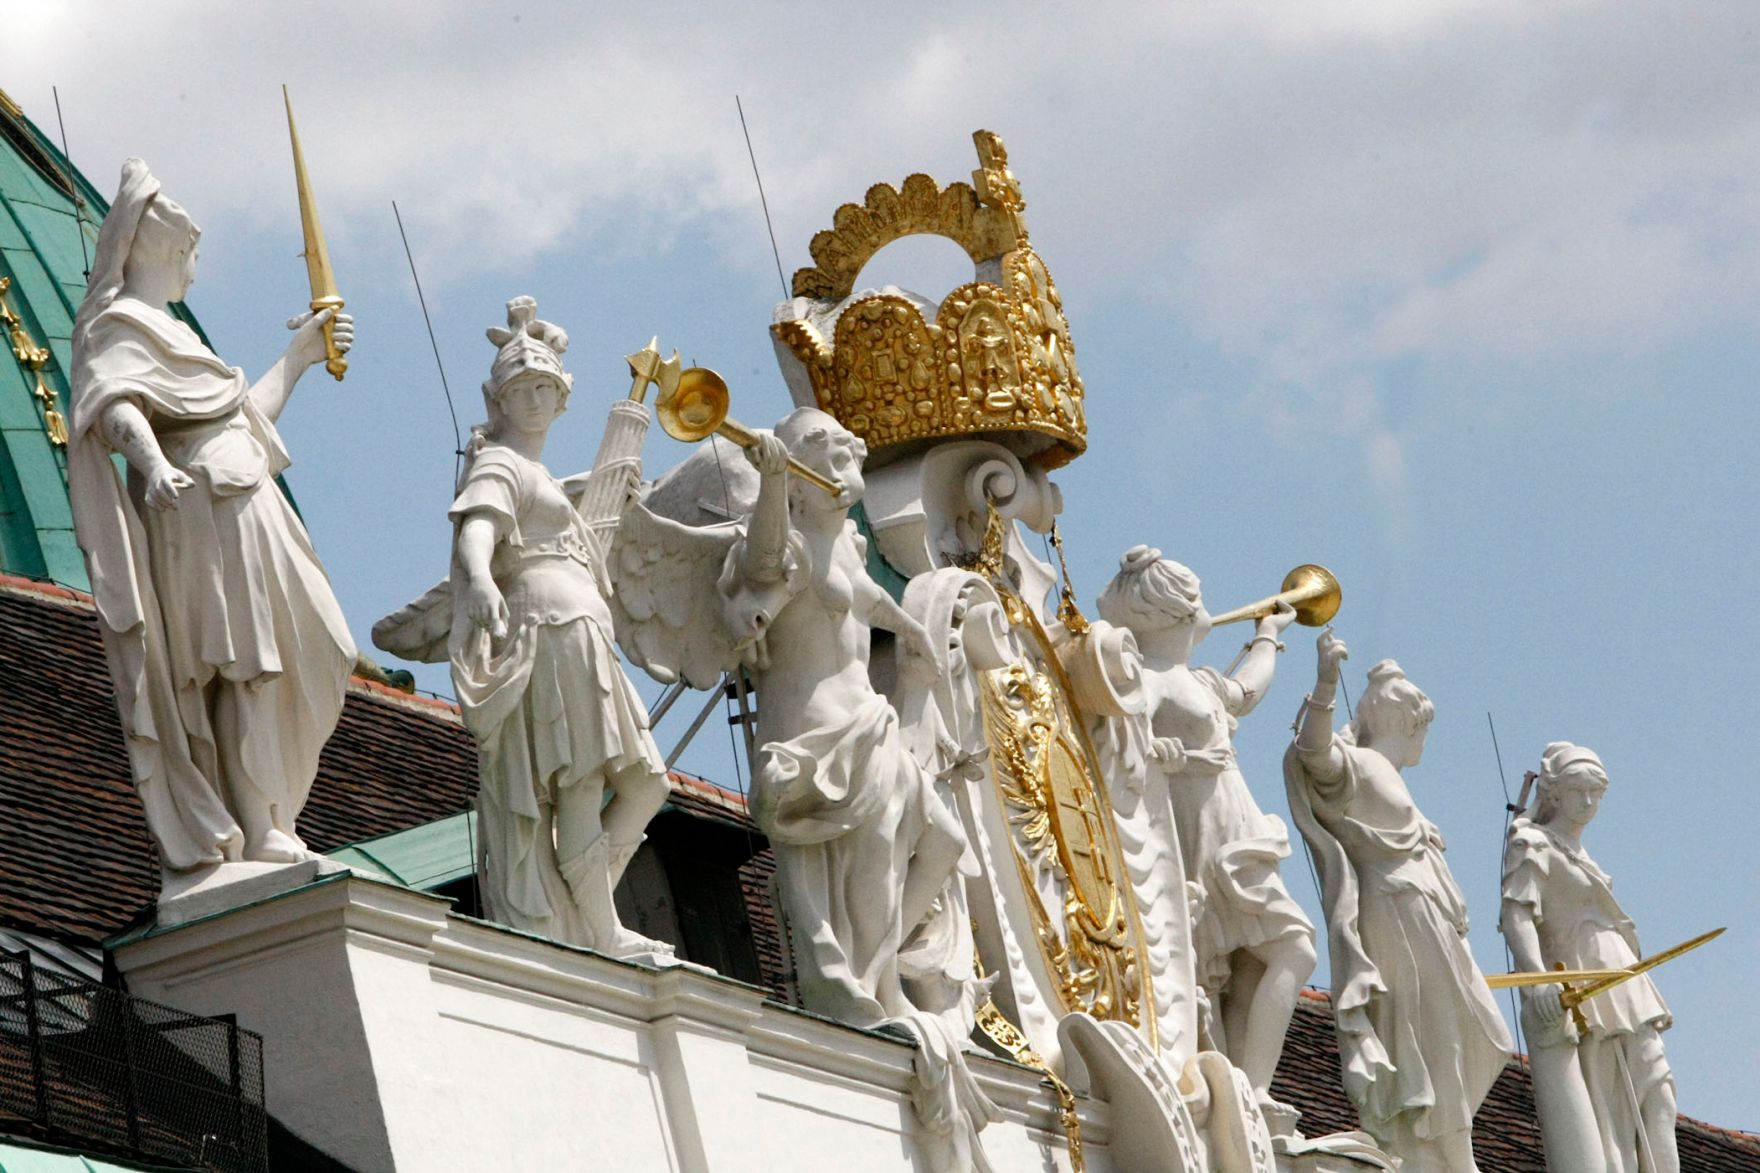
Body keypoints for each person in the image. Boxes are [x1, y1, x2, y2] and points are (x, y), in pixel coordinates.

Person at [68, 158, 355, 875]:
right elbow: (116, 406)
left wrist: (299, 355)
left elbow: (239, 417)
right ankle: (256, 824)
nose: (197, 272)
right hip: (198, 509)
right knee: (240, 665)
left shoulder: (178, 335)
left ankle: (267, 815)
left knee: (315, 645)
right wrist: (153, 463)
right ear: (164, 250)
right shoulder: (118, 325)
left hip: (244, 497)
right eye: (193, 256)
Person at [440, 297, 670, 956]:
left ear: (563, 397)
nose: (535, 397)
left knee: (646, 783)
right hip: (552, 627)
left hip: (585, 633)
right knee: (583, 783)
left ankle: (585, 906)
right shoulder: (502, 463)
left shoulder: (541, 475)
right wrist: (480, 576)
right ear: (500, 400)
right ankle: (600, 926)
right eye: (521, 388)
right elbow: (478, 524)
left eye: (545, 386)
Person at [1094, 546, 1316, 1112]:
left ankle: (1246, 1086)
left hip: (1236, 824)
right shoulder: (1146, 680)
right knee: (1282, 952)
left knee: (1262, 962)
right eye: (1198, 601)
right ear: (1178, 615)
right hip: (1198, 832)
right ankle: (1244, 1085)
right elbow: (1111, 740)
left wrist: (1268, 633)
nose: (1207, 611)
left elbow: (1247, 690)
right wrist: (1150, 748)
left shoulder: (1198, 681)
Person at [1286, 633, 1512, 1173]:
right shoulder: (1360, 767)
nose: (1424, 743)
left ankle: (1446, 1144)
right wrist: (1323, 683)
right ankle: (1448, 1151)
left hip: (1425, 914)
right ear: (1411, 725)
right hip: (1397, 914)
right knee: (1434, 1035)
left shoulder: (1385, 777)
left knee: (1478, 1034)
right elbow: (1312, 751)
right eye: (1424, 731)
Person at [1501, 743, 1678, 1173]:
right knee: (1608, 1110)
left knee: (1660, 1096)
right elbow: (1515, 914)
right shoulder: (1532, 842)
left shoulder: (1585, 858)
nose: (1588, 802)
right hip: (1585, 982)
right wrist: (1537, 978)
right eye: (1579, 790)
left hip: (1625, 980)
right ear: (1555, 792)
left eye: (1596, 792)